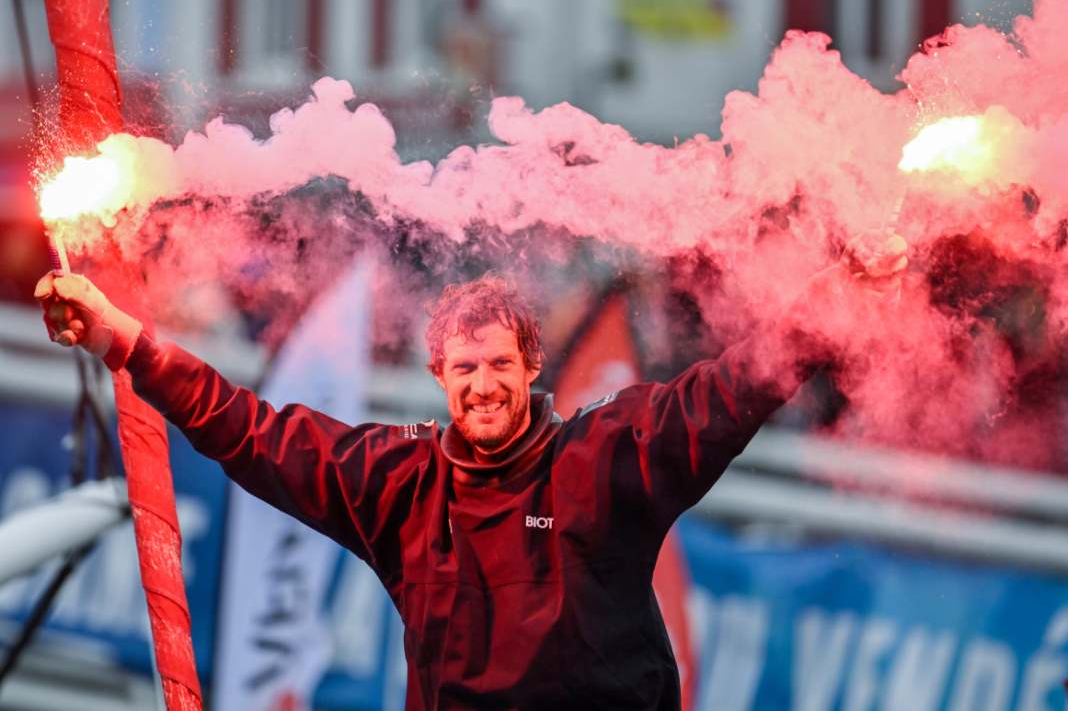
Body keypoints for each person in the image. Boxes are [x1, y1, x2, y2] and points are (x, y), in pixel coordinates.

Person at [34, 242, 904, 710]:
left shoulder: (606, 459)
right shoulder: (397, 479)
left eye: (499, 365)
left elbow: (732, 389)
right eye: (463, 369)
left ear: (531, 367)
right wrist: (124, 339)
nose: (482, 387)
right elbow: (249, 431)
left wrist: (835, 303)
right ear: (437, 378)